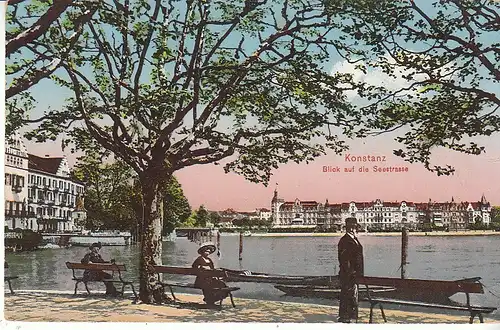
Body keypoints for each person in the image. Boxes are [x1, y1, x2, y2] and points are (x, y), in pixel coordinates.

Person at [337, 217, 364, 323]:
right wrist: (350, 272)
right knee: (347, 294)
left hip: (355, 273)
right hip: (348, 274)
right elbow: (344, 259)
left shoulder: (354, 239)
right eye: (353, 227)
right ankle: (344, 316)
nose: (354, 229)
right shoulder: (344, 240)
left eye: (354, 227)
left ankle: (352, 314)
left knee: (354, 293)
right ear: (349, 228)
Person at [192, 242, 229, 306]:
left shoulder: (209, 260)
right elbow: (194, 268)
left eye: (209, 252)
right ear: (203, 251)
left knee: (222, 284)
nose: (208, 252)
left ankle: (212, 299)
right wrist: (200, 268)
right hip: (201, 280)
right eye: (206, 251)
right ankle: (209, 299)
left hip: (209, 279)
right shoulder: (199, 259)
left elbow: (213, 270)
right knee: (209, 284)